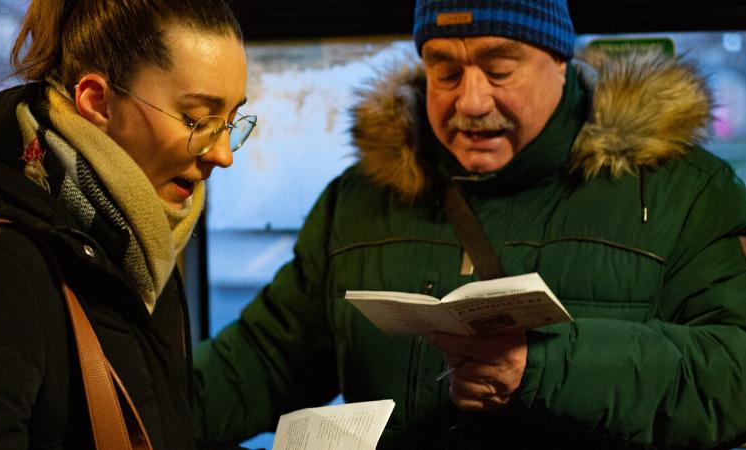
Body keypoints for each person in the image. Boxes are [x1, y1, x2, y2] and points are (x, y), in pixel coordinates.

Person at [192, 0, 746, 449]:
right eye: (445, 72)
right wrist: (129, 405)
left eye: (499, 69)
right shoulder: (361, 202)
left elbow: (732, 376)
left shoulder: (685, 193)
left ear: (560, 61)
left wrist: (545, 366)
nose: (471, 101)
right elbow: (264, 360)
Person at [0, 0, 255, 448]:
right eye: (199, 119)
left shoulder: (140, 245)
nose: (223, 154)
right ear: (97, 101)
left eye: (232, 121)